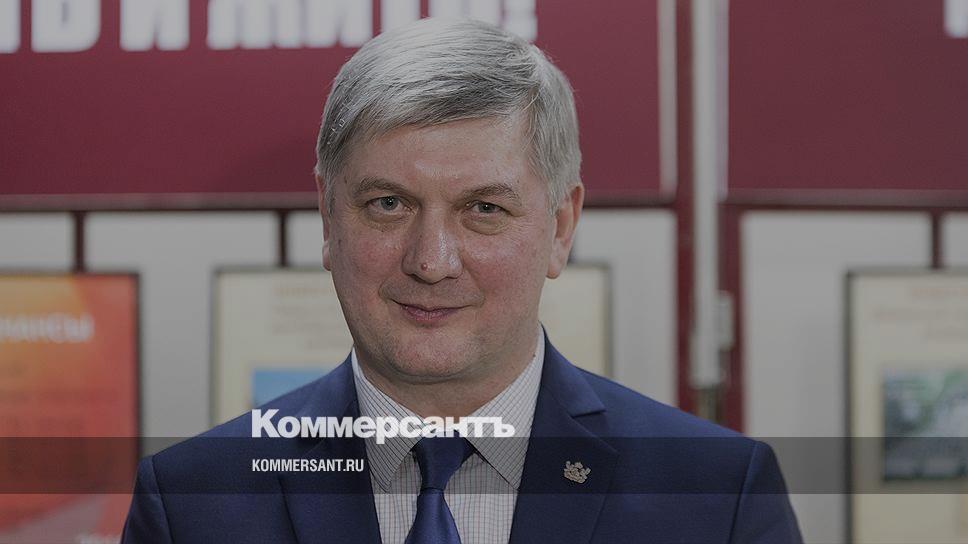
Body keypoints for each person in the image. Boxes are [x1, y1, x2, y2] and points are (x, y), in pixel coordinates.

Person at [122, 17, 802, 544]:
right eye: (388, 204)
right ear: (328, 218)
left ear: (561, 227)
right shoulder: (192, 501)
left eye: (484, 210)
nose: (432, 261)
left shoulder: (717, 496)